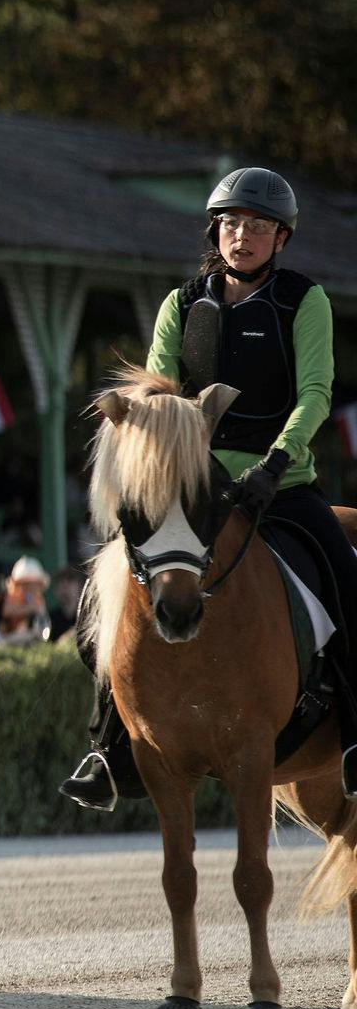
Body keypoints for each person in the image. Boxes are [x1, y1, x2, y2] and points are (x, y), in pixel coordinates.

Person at [68, 167, 355, 805]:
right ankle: (108, 749)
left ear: (281, 239)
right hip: (196, 488)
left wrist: (277, 462)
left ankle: (354, 737)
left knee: (349, 583)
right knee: (99, 601)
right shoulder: (181, 304)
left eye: (257, 227)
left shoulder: (304, 301)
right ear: (215, 231)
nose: (241, 236)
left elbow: (314, 394)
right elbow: (156, 392)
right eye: (231, 224)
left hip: (282, 484)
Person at [0, 556, 53, 644]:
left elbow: (44, 622)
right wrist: (29, 609)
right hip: (7, 639)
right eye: (24, 584)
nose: (28, 588)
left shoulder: (38, 599)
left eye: (32, 584)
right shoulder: (11, 597)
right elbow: (6, 611)